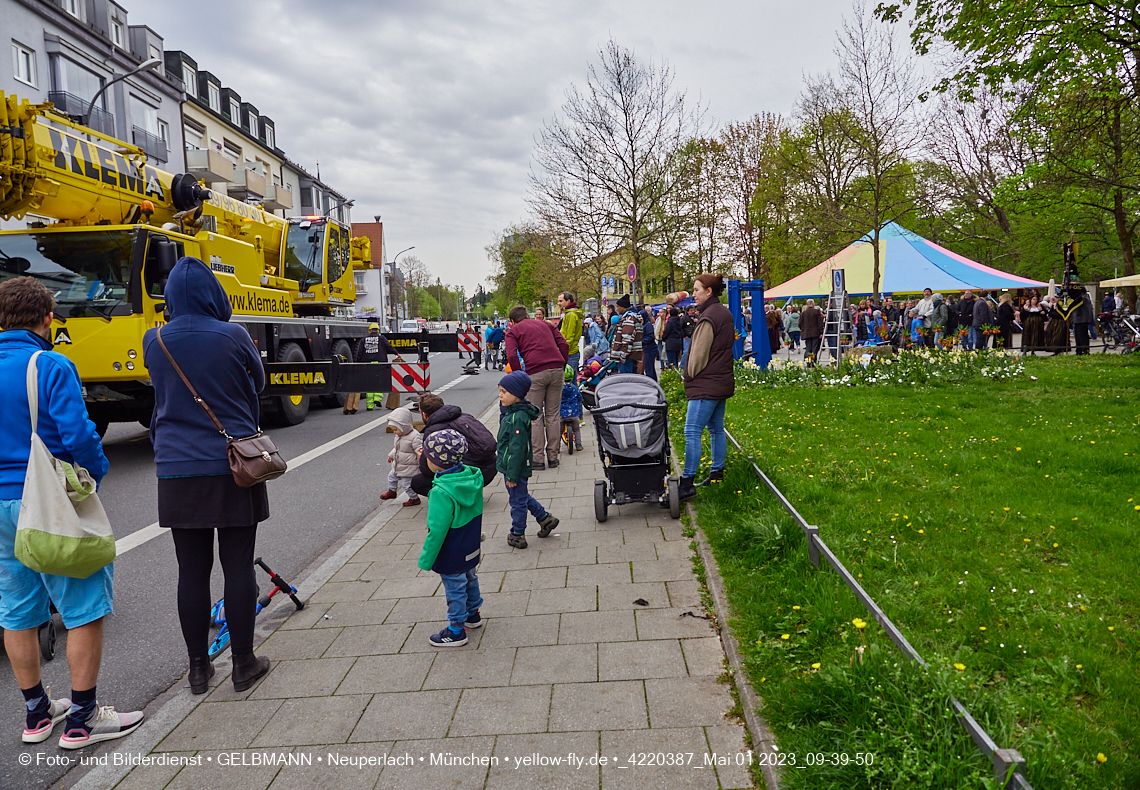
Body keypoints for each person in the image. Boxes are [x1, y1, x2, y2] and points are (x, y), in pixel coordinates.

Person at [0, 277, 143, 749]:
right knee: (83, 604)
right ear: (48, 318)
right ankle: (83, 719)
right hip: (43, 499)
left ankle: (37, 714)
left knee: (17, 611)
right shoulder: (49, 364)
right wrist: (94, 475)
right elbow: (79, 436)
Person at [142, 258, 272, 701]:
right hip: (233, 463)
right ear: (215, 294)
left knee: (190, 572)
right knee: (238, 565)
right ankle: (243, 663)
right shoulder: (232, 335)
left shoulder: (154, 339)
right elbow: (257, 385)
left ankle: (199, 669)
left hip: (177, 469)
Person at [417, 429, 485, 647]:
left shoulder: (440, 492)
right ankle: (473, 613)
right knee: (470, 578)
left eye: (427, 455)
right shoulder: (471, 478)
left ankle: (456, 630)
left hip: (452, 548)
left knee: (454, 587)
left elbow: (436, 530)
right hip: (470, 543)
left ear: (438, 462)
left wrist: (426, 560)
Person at [678, 274, 735, 502]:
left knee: (692, 431)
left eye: (696, 290)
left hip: (706, 383)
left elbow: (698, 356)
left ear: (709, 291)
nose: (693, 294)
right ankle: (716, 473)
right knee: (716, 429)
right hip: (720, 380)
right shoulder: (724, 313)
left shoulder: (708, 317)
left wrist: (688, 377)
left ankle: (687, 483)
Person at [496, 372, 559, 549]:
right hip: (512, 467)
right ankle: (545, 519)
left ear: (517, 395)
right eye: (500, 391)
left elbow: (517, 450)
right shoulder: (513, 412)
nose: (500, 395)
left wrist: (512, 475)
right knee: (521, 496)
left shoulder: (517, 418)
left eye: (504, 392)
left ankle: (518, 534)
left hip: (515, 468)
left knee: (517, 502)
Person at [505, 305, 569, 471]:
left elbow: (512, 355)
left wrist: (519, 377)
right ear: (528, 315)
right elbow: (564, 344)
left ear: (512, 321)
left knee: (535, 416)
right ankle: (553, 457)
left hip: (535, 372)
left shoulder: (513, 331)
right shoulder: (546, 324)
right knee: (553, 414)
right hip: (556, 370)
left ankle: (538, 459)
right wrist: (562, 363)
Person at [409, 394, 498, 497]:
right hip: (490, 469)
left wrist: (423, 457)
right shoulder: (465, 417)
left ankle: (454, 496)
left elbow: (427, 470)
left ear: (424, 414)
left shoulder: (433, 431)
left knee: (417, 482)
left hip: (470, 476)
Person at [353, 323, 402, 412]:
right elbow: (389, 346)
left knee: (369, 383)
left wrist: (358, 363)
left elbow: (359, 352)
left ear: (369, 331)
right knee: (379, 381)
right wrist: (396, 353)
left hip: (367, 364)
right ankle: (377, 399)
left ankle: (370, 405)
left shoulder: (364, 340)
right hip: (380, 363)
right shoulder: (381, 338)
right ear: (378, 331)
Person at [379, 407, 423, 506]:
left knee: (406, 485)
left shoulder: (414, 436)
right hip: (399, 464)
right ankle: (392, 491)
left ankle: (414, 498)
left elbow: (418, 448)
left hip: (410, 466)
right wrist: (391, 455)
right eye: (393, 430)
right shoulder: (399, 436)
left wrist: (419, 453)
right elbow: (397, 448)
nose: (395, 432)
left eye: (396, 429)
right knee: (391, 477)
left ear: (404, 426)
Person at [610, 294, 643, 374]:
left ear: (623, 307)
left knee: (626, 380)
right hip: (632, 355)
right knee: (633, 378)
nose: (617, 309)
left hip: (628, 357)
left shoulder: (629, 319)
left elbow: (627, 339)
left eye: (618, 306)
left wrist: (623, 356)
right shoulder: (633, 317)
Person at [556, 292, 584, 372]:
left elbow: (569, 337)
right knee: (572, 381)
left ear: (568, 301)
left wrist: (562, 352)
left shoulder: (570, 315)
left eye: (561, 301)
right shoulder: (571, 314)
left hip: (570, 354)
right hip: (571, 353)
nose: (558, 303)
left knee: (568, 382)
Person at [560, 365, 583, 452]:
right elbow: (579, 397)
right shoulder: (574, 388)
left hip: (562, 414)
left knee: (559, 431)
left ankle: (556, 447)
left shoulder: (559, 389)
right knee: (576, 429)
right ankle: (578, 444)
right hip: (574, 413)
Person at [640, 305, 659, 380]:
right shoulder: (643, 325)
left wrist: (641, 342)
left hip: (649, 349)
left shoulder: (647, 325)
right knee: (650, 367)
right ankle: (654, 381)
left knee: (648, 368)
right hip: (647, 348)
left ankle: (650, 382)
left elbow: (651, 337)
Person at [1072, 289, 1093, 355]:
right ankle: (1079, 350)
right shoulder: (1082, 299)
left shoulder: (1085, 299)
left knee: (1082, 336)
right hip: (1077, 320)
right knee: (1077, 336)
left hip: (1082, 320)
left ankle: (1085, 350)